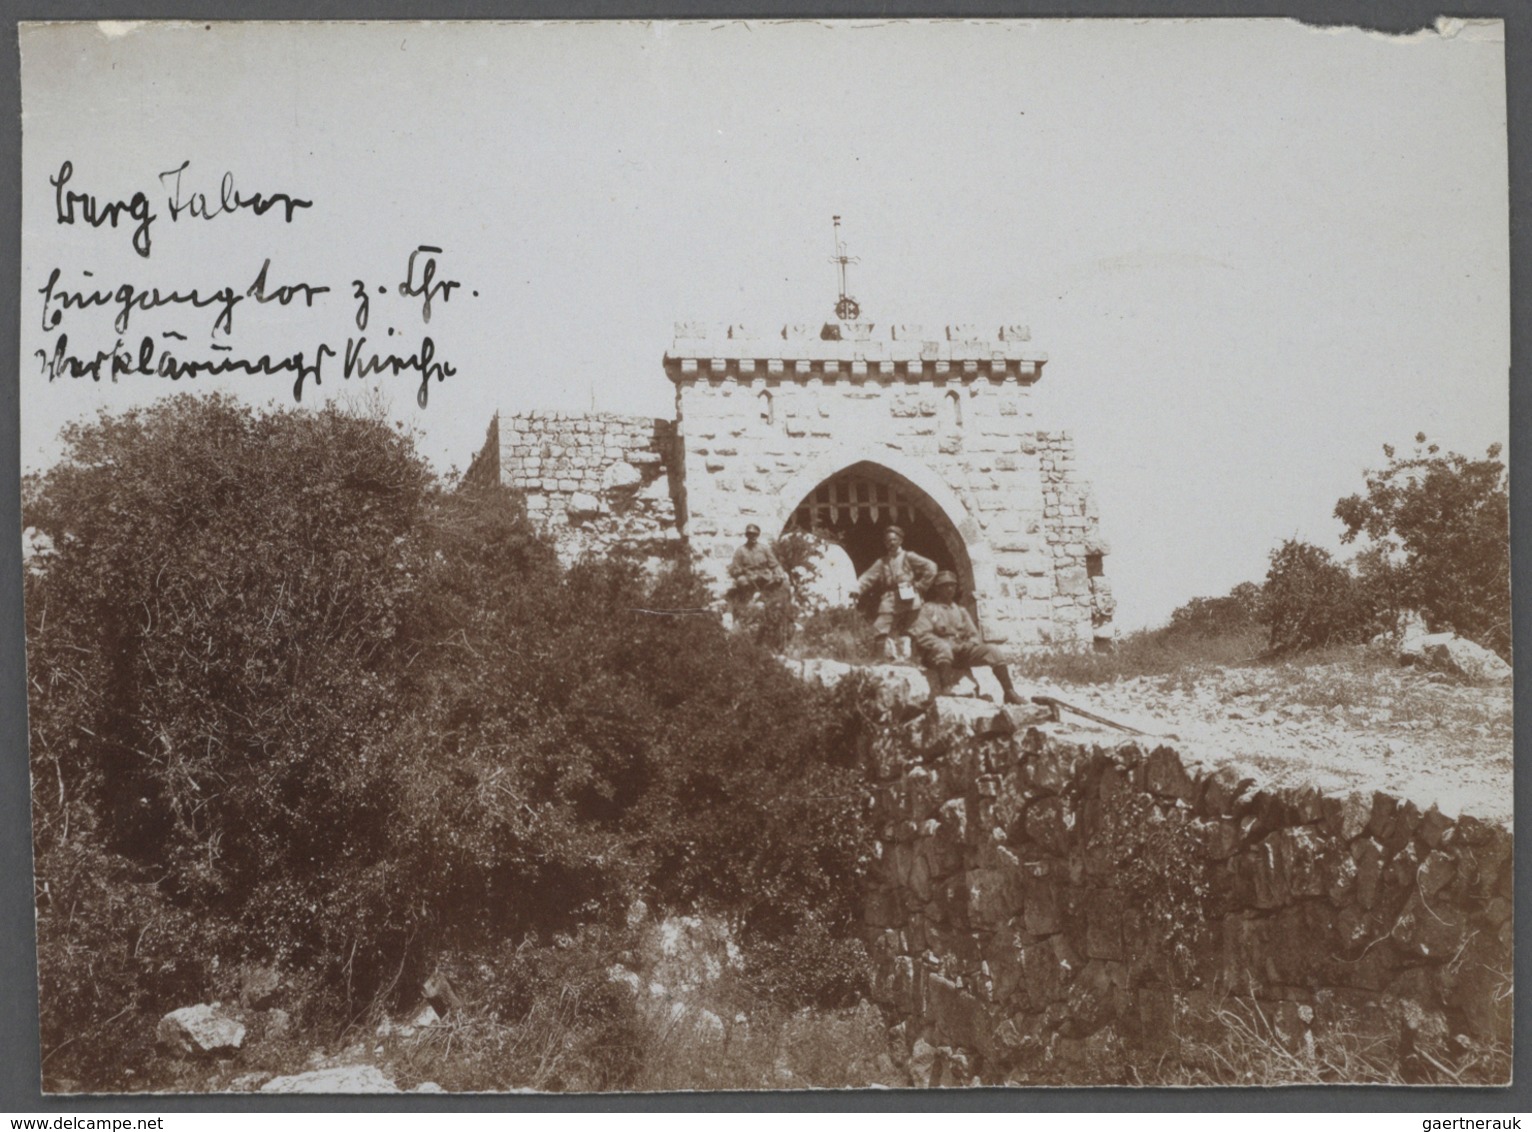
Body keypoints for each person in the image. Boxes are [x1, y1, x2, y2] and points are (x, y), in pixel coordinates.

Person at [909, 571, 1026, 705]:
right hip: (936, 657)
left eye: (952, 586)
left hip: (960, 654)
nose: (949, 589)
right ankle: (946, 688)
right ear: (937, 588)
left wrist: (968, 644)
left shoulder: (960, 611)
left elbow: (974, 636)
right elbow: (922, 635)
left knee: (993, 651)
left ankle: (1009, 692)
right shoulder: (928, 609)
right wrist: (945, 643)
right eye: (945, 586)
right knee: (944, 647)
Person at [855, 525, 937, 661]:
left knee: (914, 628)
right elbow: (867, 577)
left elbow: (931, 567)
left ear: (900, 540)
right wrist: (856, 590)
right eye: (887, 541)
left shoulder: (909, 556)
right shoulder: (882, 562)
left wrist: (921, 585)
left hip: (909, 594)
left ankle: (915, 659)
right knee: (880, 626)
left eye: (894, 540)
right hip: (890, 597)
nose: (891, 543)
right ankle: (879, 658)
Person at [728, 524, 788, 606]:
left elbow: (774, 564)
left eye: (755, 534)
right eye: (750, 534)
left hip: (764, 576)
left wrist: (780, 573)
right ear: (746, 536)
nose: (753, 537)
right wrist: (744, 572)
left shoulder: (764, 548)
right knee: (741, 581)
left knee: (781, 581)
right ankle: (747, 601)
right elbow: (735, 569)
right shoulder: (740, 551)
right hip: (749, 577)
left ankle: (771, 601)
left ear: (758, 535)